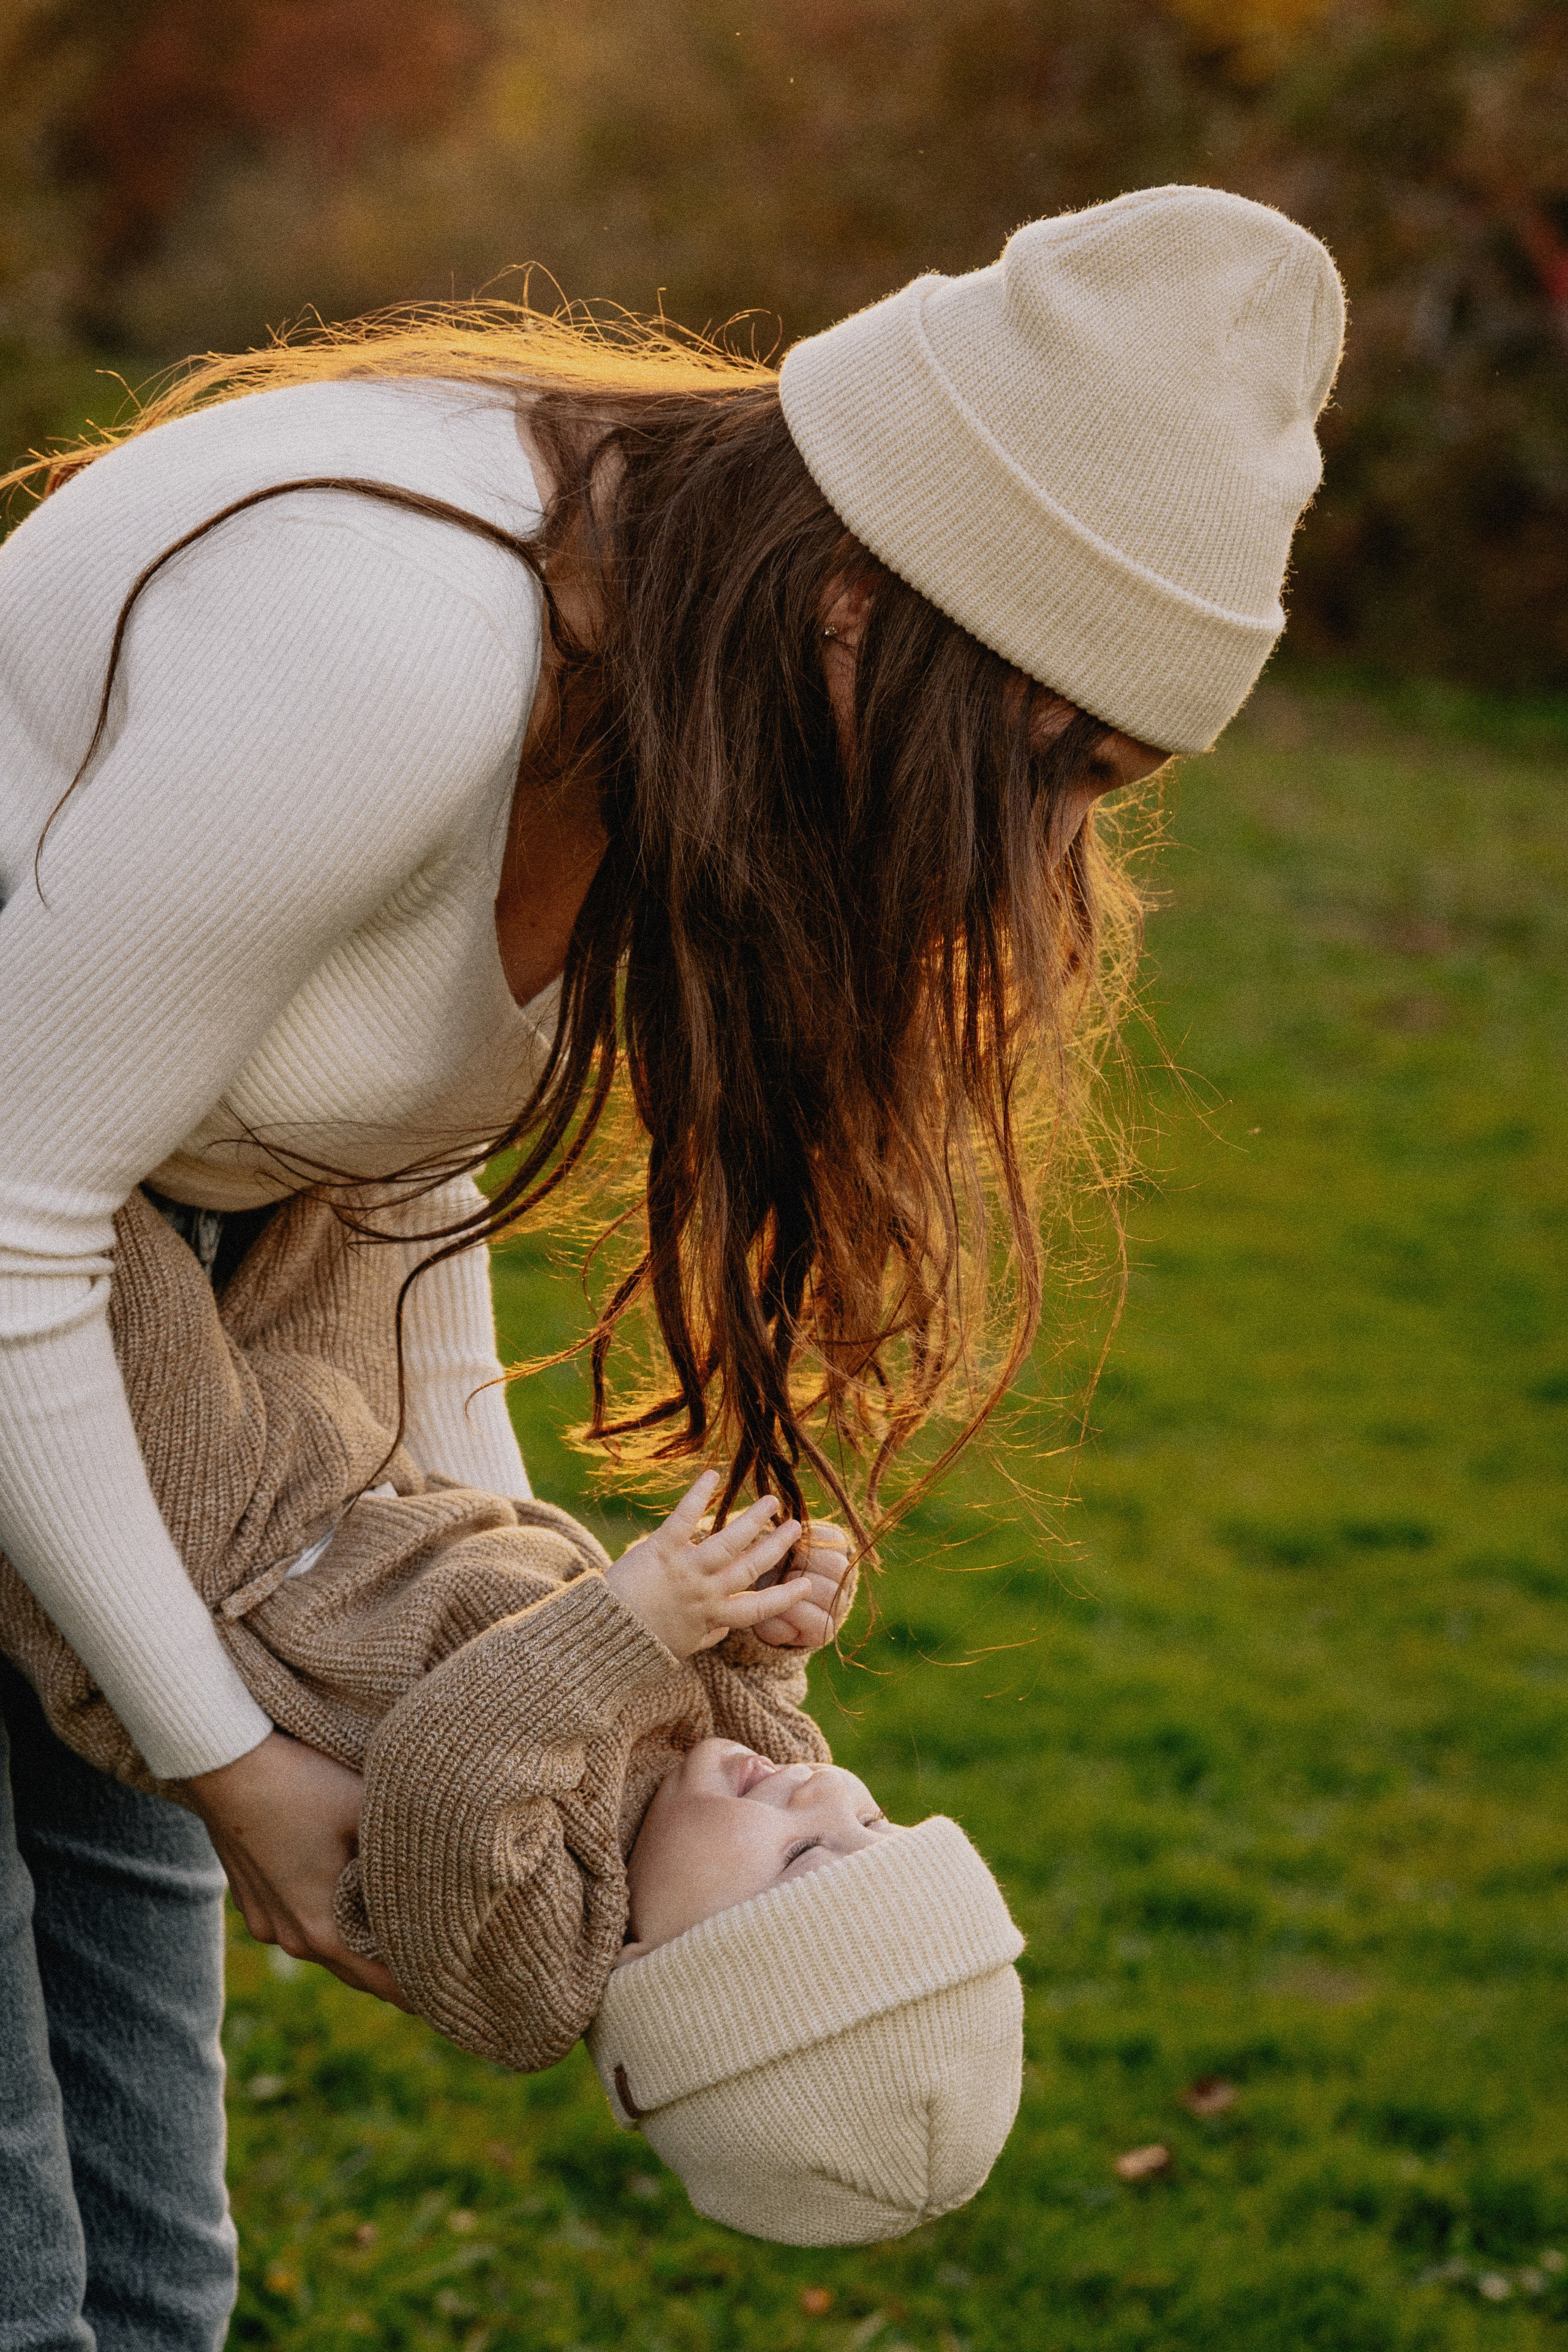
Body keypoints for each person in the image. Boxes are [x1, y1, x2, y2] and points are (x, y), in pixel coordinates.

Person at [0, 183, 1344, 2340]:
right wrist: (233, 1760)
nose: (1044, 871)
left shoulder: (657, 686)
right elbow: (7, 1210)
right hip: (40, 1293)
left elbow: (393, 1154)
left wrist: (469, 1539)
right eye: (1053, 770)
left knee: (155, 2225)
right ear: (862, 619)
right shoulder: (393, 644)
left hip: (147, 1402)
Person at [4, 1180, 1026, 2248]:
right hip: (347, 1475)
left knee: (66, 1218)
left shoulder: (527, 1964)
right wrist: (776, 1618)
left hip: (213, 1561)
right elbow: (748, 1689)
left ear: (659, 1970)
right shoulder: (721, 1798)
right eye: (878, 1824)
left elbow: (445, 1771)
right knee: (342, 1177)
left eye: (812, 1855)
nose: (832, 1791)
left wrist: (632, 1622)